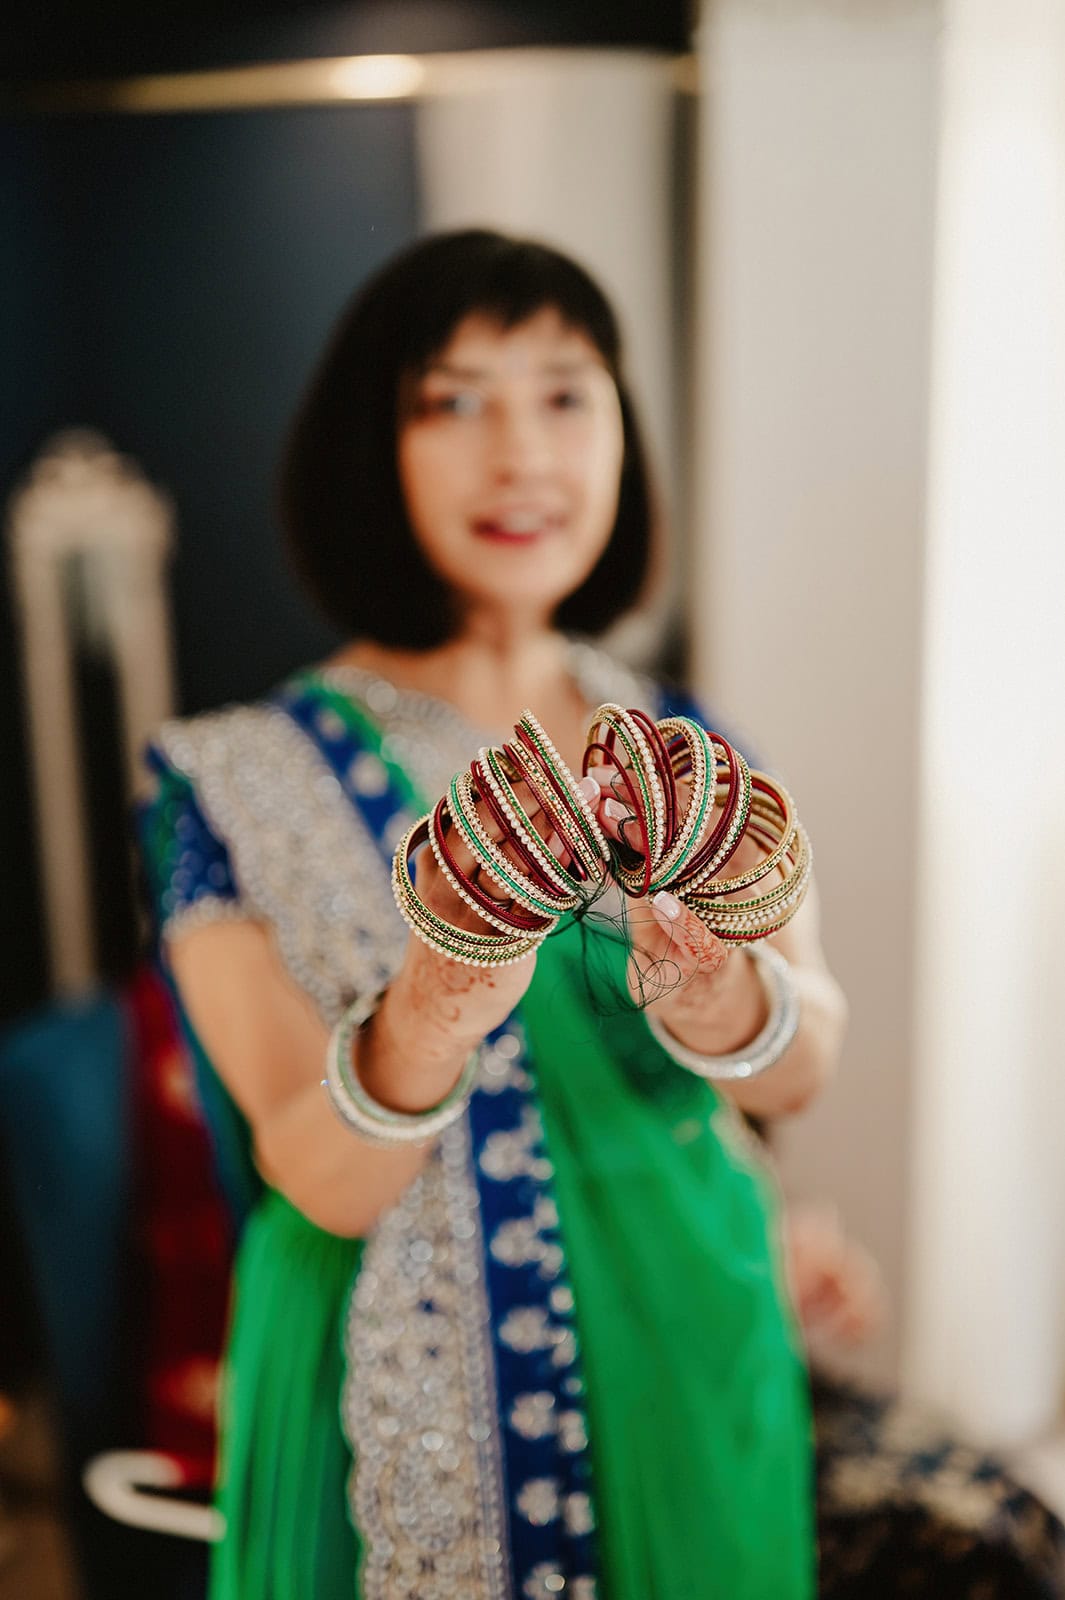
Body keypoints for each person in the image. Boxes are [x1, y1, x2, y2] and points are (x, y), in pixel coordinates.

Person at [140, 229, 848, 1600]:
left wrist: (727, 1004)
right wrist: (434, 1007)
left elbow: (806, 1061)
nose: (523, 455)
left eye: (565, 393)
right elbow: (318, 1170)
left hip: (684, 1335)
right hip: (388, 1375)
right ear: (370, 449)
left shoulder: (687, 745)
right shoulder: (227, 780)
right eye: (452, 401)